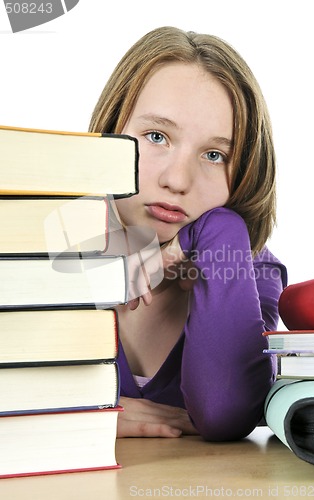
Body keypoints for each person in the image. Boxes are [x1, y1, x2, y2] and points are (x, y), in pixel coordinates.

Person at [89, 26, 288, 441]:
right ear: (111, 130)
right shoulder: (38, 246)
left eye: (215, 155)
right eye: (157, 136)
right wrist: (78, 407)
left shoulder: (250, 267)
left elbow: (224, 411)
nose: (178, 180)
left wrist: (220, 228)